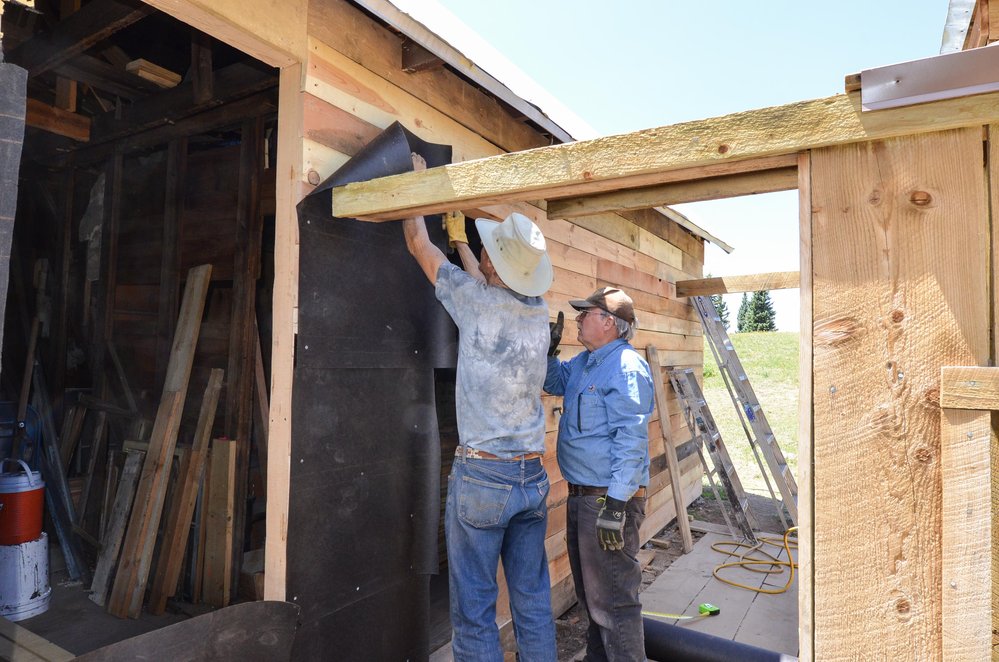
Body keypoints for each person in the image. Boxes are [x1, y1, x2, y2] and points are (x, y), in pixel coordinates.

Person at [401, 153, 557, 662]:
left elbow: (418, 245)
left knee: (474, 611)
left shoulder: (474, 302)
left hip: (482, 478)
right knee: (532, 602)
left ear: (494, 265)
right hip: (532, 476)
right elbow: (488, 283)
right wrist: (466, 244)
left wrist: (418, 190)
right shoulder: (537, 316)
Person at [543, 286, 654, 662]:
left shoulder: (625, 367)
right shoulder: (585, 362)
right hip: (583, 498)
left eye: (584, 314)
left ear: (608, 323)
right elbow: (553, 382)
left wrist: (617, 505)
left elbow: (632, 438)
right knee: (593, 600)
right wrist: (549, 351)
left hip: (606, 500)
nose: (577, 319)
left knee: (615, 604)